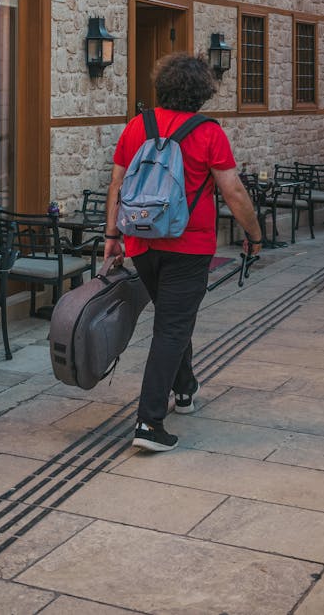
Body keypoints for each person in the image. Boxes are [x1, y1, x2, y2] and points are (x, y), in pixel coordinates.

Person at [103, 53, 262, 453]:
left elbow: (117, 184)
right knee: (172, 326)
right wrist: (255, 235)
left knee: (174, 318)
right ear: (202, 92)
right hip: (189, 246)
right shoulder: (208, 133)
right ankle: (149, 422)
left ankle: (185, 389)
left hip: (142, 243)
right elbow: (233, 191)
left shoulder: (137, 126)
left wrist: (112, 235)